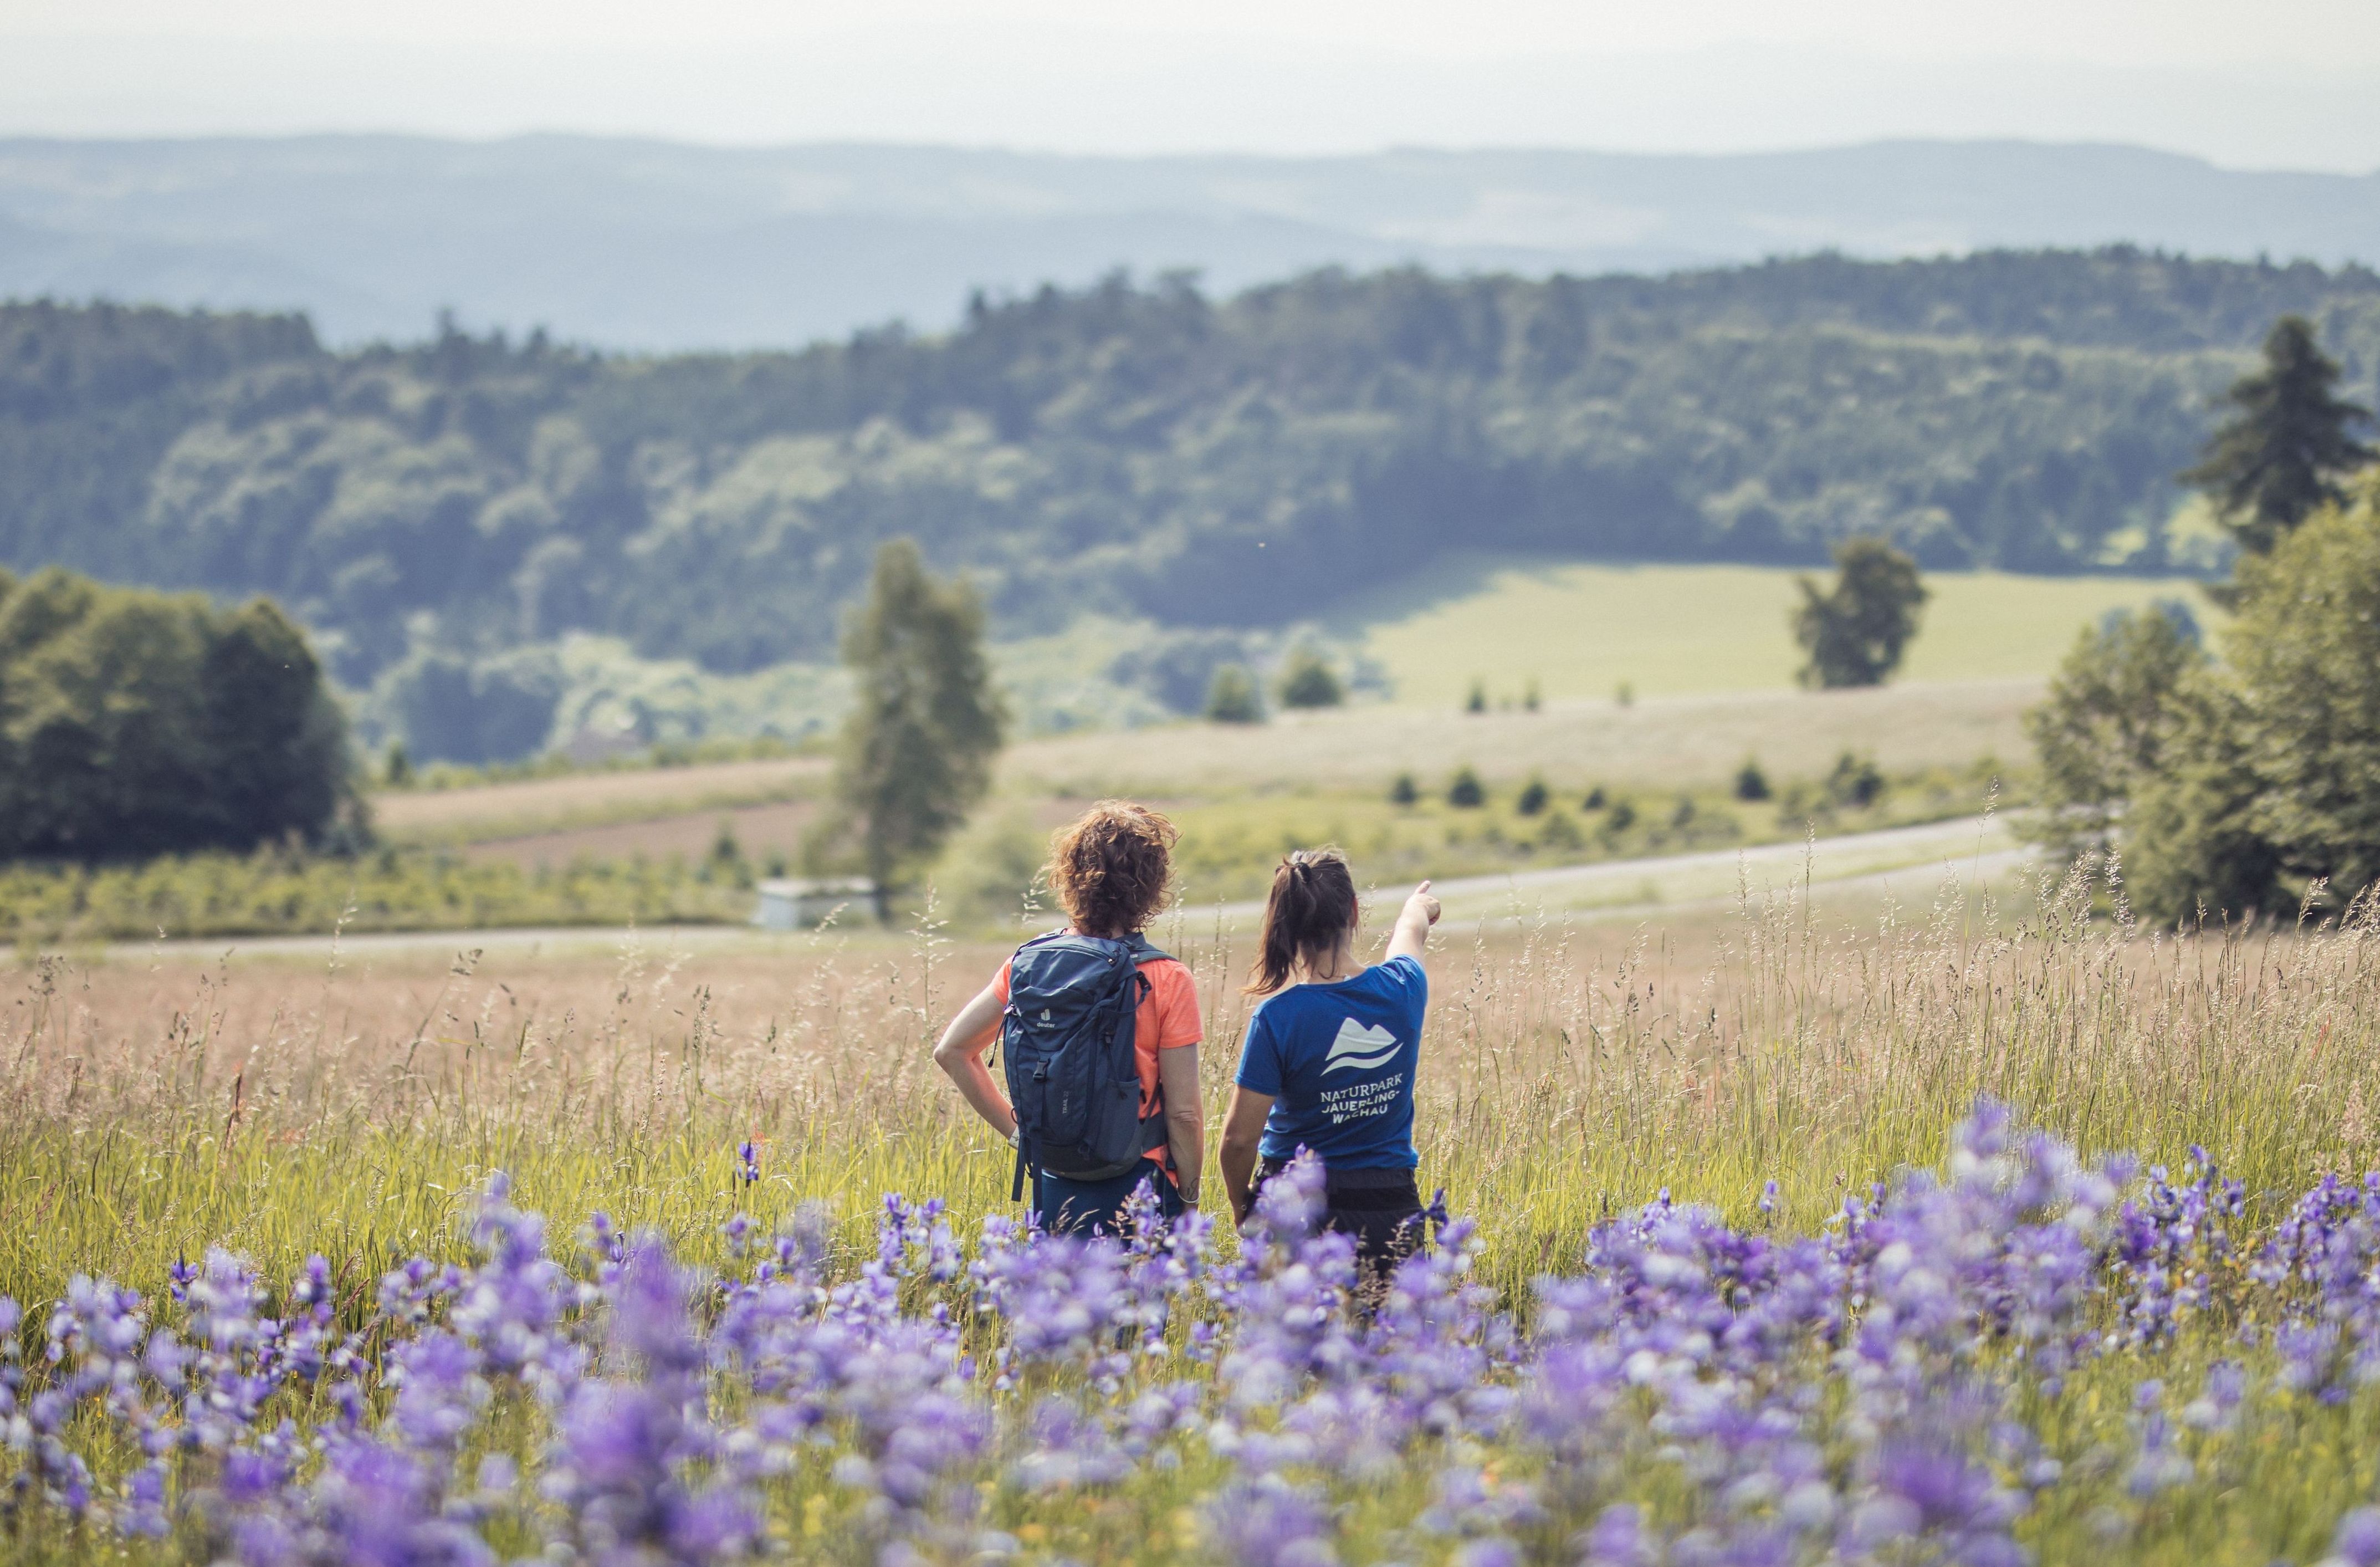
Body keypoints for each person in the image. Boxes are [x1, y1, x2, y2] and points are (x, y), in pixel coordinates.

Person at [933, 800, 1204, 1236]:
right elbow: (1186, 1114)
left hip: (1055, 1182)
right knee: (1139, 1303)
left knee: (1061, 1302)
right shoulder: (1166, 978)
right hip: (1141, 1184)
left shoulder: (1029, 965)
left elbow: (951, 1051)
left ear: (1072, 877)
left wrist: (1019, 1135)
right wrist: (1189, 1197)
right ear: (1150, 885)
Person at [1219, 847, 1441, 1281]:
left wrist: (1240, 1204)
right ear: (1354, 912)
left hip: (1295, 1212)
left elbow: (1239, 1140)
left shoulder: (1278, 1017)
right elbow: (1410, 932)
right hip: (1389, 1209)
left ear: (1286, 925)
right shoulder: (1403, 987)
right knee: (1395, 1345)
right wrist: (1417, 907)